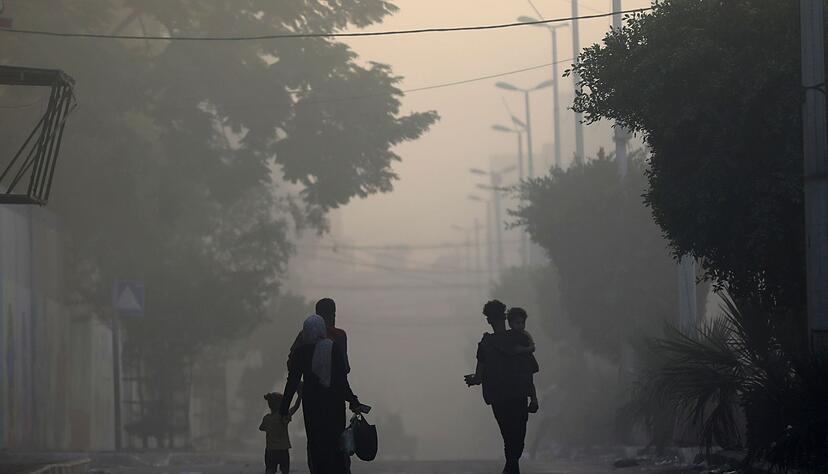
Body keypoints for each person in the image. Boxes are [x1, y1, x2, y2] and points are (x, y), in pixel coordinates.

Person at [281, 315, 363, 474]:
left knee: (316, 444)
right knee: (335, 443)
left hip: (312, 406)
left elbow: (292, 382)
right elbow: (341, 381)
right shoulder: (333, 349)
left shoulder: (300, 353)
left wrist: (284, 408)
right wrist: (353, 401)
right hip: (334, 405)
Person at [465, 300, 538, 474]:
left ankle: (511, 466)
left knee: (507, 432)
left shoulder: (485, 344)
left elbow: (479, 376)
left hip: (498, 397)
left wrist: (473, 380)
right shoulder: (520, 338)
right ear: (505, 317)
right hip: (519, 395)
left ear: (488, 320)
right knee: (518, 433)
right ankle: (512, 465)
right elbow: (529, 371)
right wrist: (534, 398)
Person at [292, 298, 349, 373]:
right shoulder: (340, 335)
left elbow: (291, 363)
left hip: (311, 382)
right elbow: (345, 368)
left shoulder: (305, 334)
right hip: (335, 383)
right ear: (333, 315)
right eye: (334, 315)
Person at [260, 386, 302, 474]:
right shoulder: (283, 417)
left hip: (270, 450)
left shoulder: (266, 418)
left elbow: (261, 428)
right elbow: (295, 407)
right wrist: (300, 395)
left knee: (270, 470)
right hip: (283, 449)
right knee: (285, 470)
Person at [506, 307, 540, 414]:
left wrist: (522, 350)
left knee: (529, 381)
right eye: (517, 323)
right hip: (515, 367)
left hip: (527, 362)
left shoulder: (526, 334)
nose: (521, 325)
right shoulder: (508, 336)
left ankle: (534, 400)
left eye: (522, 323)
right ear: (510, 323)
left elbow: (533, 347)